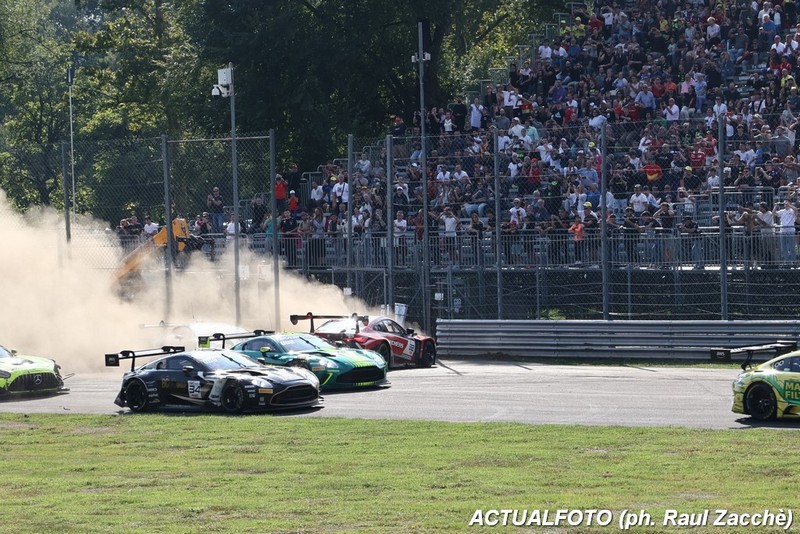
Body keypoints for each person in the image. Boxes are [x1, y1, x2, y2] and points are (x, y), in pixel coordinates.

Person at [773, 199, 798, 265]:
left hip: (790, 231)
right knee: (784, 247)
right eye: (785, 203)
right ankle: (787, 261)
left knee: (792, 247)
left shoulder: (792, 210)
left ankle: (793, 261)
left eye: (787, 203)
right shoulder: (782, 211)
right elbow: (773, 213)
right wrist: (775, 206)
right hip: (783, 231)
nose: (785, 204)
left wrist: (789, 205)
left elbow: (796, 210)